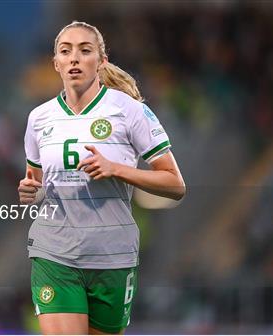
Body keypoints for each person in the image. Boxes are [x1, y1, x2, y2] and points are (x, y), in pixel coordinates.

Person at [18, 21, 185, 335]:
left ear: (102, 60)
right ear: (56, 64)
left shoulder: (130, 111)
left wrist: (117, 169)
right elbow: (37, 187)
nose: (75, 58)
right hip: (55, 252)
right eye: (66, 52)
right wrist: (30, 191)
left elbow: (175, 184)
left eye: (85, 50)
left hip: (112, 253)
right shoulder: (38, 118)